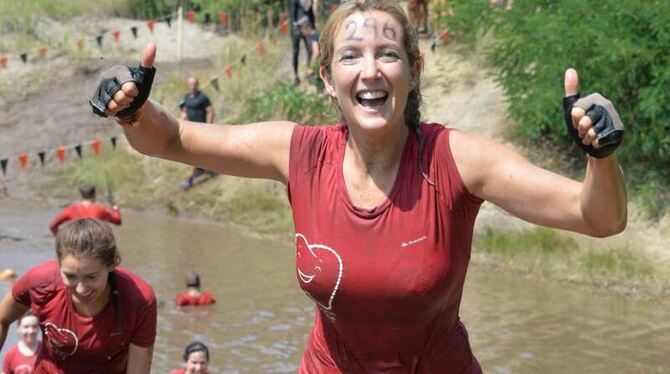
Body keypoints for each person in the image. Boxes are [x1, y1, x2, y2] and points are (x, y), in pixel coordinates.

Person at [89, 0, 627, 371]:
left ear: (413, 70)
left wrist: (600, 156)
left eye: (387, 54)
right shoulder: (298, 152)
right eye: (351, 56)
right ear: (327, 78)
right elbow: (173, 139)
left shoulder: (456, 158)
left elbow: (600, 218)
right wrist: (134, 109)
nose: (370, 70)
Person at [0, 219, 157, 373]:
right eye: (71, 276)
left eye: (92, 277)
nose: (81, 289)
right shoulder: (40, 283)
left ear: (112, 264)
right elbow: (2, 318)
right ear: (59, 264)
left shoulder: (139, 300)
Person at [179, 76, 215, 190]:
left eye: (195, 84)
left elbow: (210, 112)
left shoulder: (203, 97)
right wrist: (179, 123)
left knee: (196, 153)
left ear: (198, 85)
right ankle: (200, 169)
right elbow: (185, 112)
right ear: (188, 85)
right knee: (194, 153)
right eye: (191, 84)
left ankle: (191, 179)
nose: (193, 86)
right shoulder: (187, 97)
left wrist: (208, 127)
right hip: (191, 129)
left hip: (201, 129)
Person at [49, 183, 121, 235]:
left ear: (81, 195)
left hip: (76, 245)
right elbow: (117, 221)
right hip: (95, 245)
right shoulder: (100, 209)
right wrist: (114, 205)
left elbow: (53, 226)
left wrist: (61, 239)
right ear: (94, 195)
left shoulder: (71, 209)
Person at [288, 0, 316, 85]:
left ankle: (309, 73)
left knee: (310, 50)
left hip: (307, 27)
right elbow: (292, 13)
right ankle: (295, 76)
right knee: (295, 51)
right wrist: (294, 27)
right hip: (297, 27)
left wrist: (313, 26)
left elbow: (310, 12)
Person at [296, 16, 324, 92]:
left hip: (318, 65)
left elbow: (316, 52)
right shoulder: (317, 34)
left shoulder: (313, 36)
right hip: (321, 64)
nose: (301, 32)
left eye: (301, 29)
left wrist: (311, 67)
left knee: (313, 79)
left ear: (306, 28)